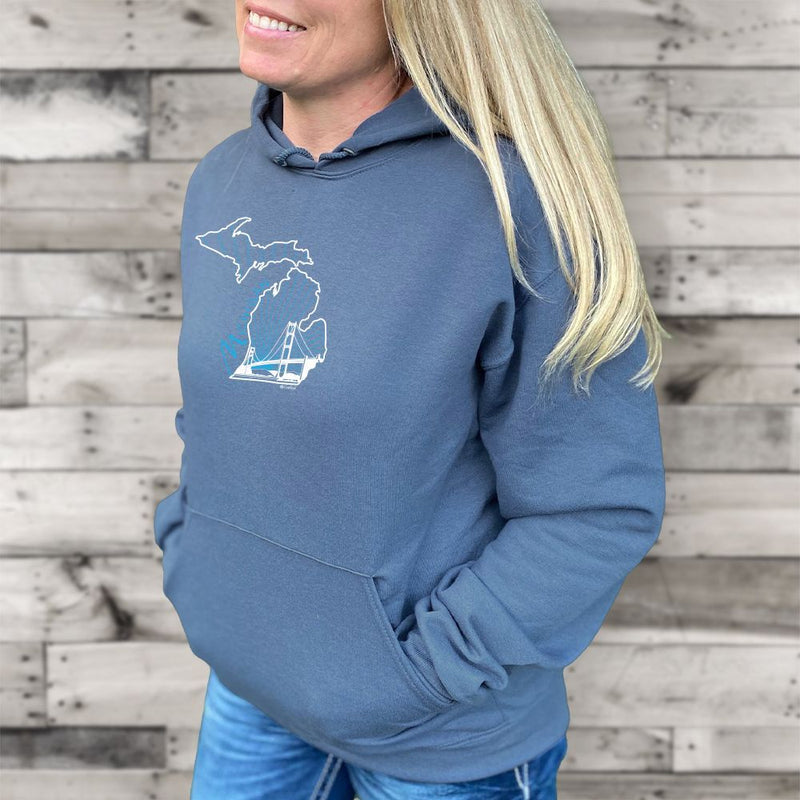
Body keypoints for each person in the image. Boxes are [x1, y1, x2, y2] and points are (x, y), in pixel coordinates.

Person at [153, 0, 669, 797]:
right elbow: (224, 418)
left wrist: (416, 675)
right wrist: (198, 567)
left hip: (437, 743)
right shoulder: (222, 181)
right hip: (250, 695)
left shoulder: (516, 202)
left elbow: (595, 507)